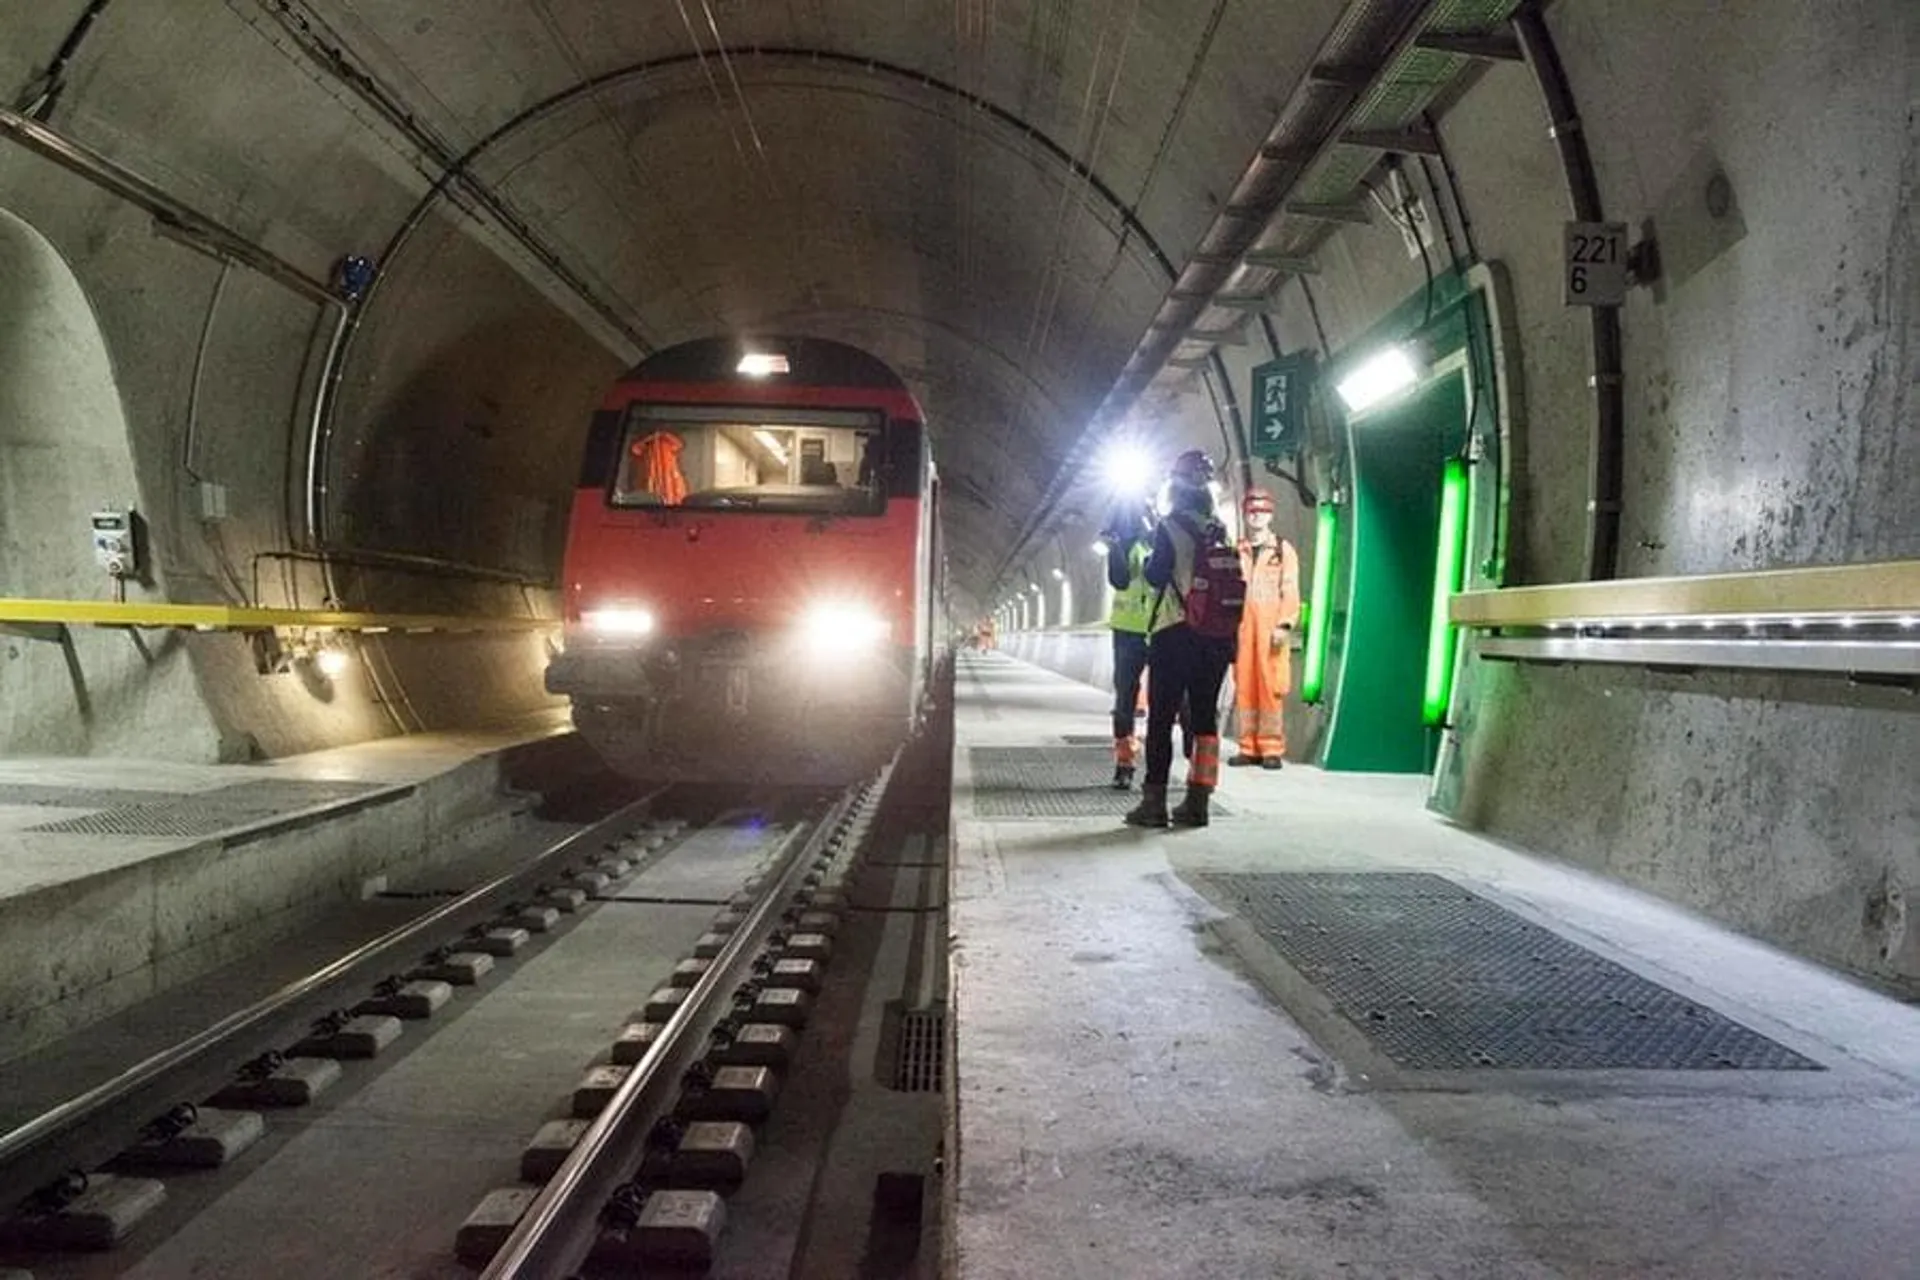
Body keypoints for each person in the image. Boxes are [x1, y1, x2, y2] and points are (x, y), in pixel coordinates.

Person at [1124, 450, 1239, 829]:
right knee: (1205, 719)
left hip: (1175, 631)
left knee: (1162, 718)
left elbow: (1157, 576)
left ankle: (1153, 802)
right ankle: (1198, 801)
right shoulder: (1220, 528)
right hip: (1216, 638)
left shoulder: (1169, 526)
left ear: (1174, 486)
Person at [1230, 488, 1301, 769]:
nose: (1257, 515)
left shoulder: (1283, 551)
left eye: (1262, 510)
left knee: (1270, 688)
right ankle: (1248, 746)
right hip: (1242, 631)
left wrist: (1285, 624)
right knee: (1245, 688)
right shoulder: (1238, 551)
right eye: (1252, 510)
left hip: (1271, 630)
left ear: (1271, 514)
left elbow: (1291, 590)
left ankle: (1271, 748)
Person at [1102, 498, 1155, 790]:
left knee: (1169, 702)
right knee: (1125, 701)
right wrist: (1116, 545)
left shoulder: (1163, 539)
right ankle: (1124, 763)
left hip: (1162, 629)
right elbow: (1120, 579)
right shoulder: (1124, 543)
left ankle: (1168, 765)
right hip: (1128, 632)